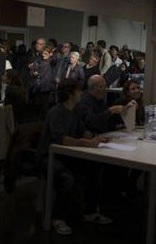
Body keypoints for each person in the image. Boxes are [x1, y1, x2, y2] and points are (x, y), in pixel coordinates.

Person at [37, 79, 112, 235]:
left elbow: (82, 130)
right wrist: (87, 143)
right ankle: (57, 218)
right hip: (49, 157)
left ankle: (89, 212)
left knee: (95, 167)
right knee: (66, 178)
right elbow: (61, 139)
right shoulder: (56, 112)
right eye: (78, 91)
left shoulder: (74, 111)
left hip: (66, 155)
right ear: (70, 94)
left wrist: (95, 138)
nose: (81, 93)